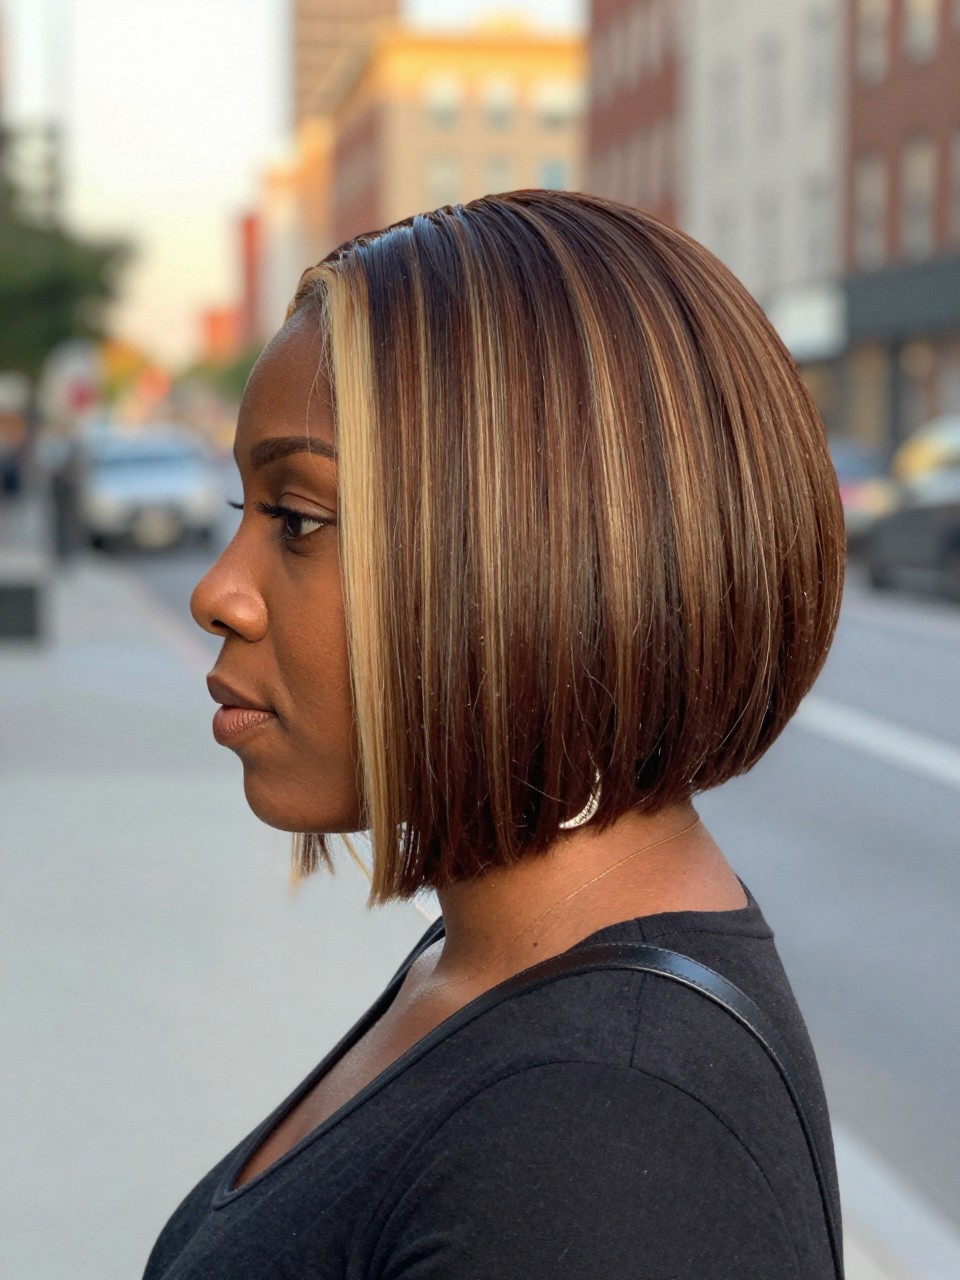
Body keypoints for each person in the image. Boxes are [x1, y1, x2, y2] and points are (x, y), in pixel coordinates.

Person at [146, 190, 845, 1278]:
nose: (217, 593)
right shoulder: (488, 966)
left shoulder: (607, 1139)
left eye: (298, 518)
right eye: (248, 512)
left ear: (530, 556)